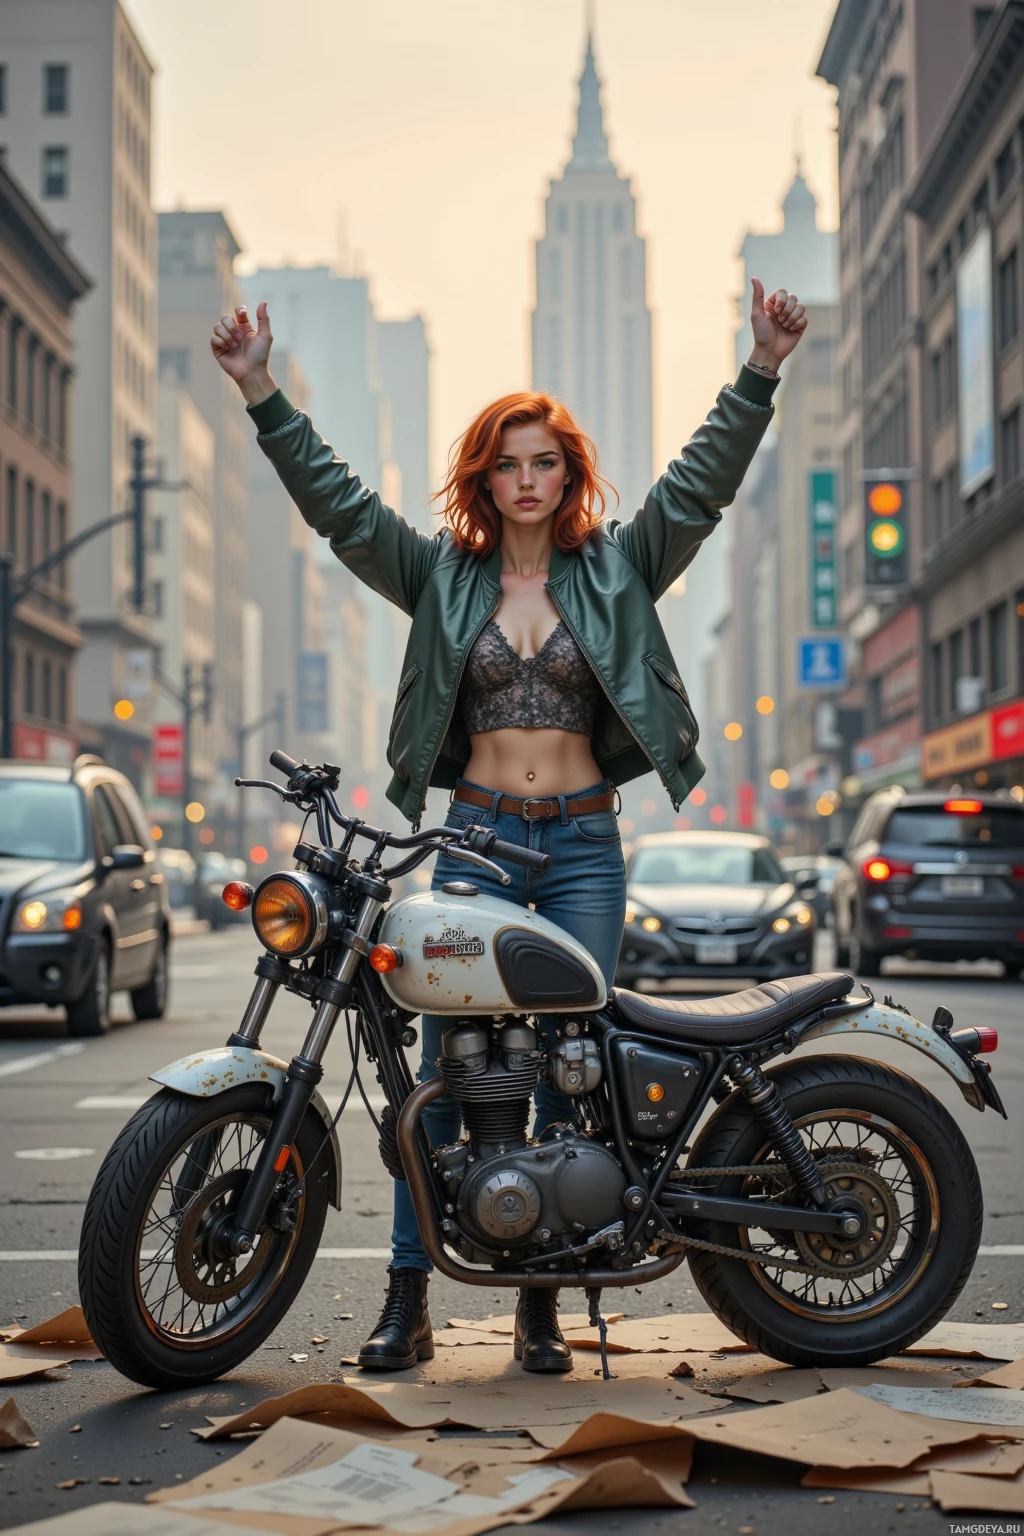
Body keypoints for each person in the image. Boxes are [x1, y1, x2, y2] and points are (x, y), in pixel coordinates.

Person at [210, 279, 806, 1373]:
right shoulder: (439, 574)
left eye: (546, 462)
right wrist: (259, 392)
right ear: (482, 476)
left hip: (582, 846)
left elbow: (700, 489)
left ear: (568, 475)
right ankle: (408, 1299)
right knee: (446, 1071)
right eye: (507, 462)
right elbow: (340, 508)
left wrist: (759, 369)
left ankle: (540, 1297)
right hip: (475, 845)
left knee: (572, 1070)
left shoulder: (617, 567)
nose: (526, 480)